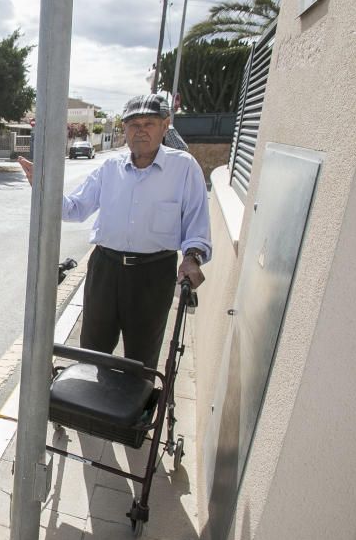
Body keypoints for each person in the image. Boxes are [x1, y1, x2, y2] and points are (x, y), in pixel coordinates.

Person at [18, 93, 211, 371]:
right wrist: (43, 187)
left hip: (153, 274)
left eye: (149, 123)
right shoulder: (110, 168)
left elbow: (197, 222)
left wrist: (192, 257)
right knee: (92, 352)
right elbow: (73, 209)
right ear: (125, 130)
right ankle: (89, 412)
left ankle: (137, 415)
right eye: (134, 125)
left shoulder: (183, 168)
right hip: (105, 270)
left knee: (141, 361)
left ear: (165, 125)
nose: (140, 131)